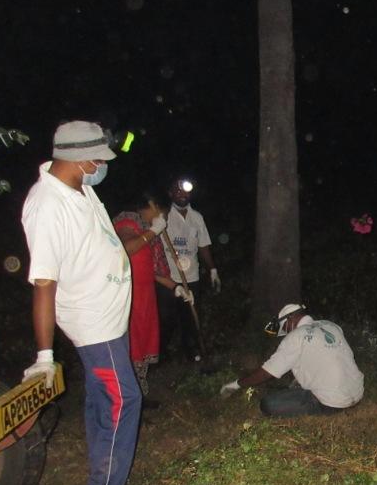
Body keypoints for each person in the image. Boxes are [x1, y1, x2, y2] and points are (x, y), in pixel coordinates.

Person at [20, 120, 142, 485]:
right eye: (98, 160)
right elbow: (44, 283)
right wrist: (44, 356)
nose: (101, 166)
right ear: (79, 159)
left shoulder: (80, 189)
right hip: (93, 325)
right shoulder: (47, 206)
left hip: (109, 319)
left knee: (102, 403)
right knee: (124, 401)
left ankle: (103, 477)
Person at [113, 192, 194, 402]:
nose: (163, 218)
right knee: (132, 345)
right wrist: (153, 231)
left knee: (143, 342)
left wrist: (176, 287)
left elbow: (151, 271)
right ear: (152, 207)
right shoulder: (128, 222)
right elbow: (126, 249)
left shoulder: (146, 230)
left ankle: (138, 395)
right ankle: (128, 397)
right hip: (128, 298)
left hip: (145, 297)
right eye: (162, 213)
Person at [218, 304, 364, 417]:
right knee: (295, 387)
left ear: (290, 319)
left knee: (268, 404)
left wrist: (235, 385)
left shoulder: (295, 336)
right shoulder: (331, 326)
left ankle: (322, 404)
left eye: (285, 327)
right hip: (357, 394)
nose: (286, 331)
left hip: (330, 404)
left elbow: (267, 372)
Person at [159, 177, 220, 363]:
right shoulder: (164, 216)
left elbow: (203, 245)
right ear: (170, 193)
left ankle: (191, 353)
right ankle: (160, 354)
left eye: (185, 191)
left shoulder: (197, 218)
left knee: (190, 319)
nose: (182, 194)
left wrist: (213, 270)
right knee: (166, 319)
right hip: (168, 279)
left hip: (191, 278)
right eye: (177, 191)